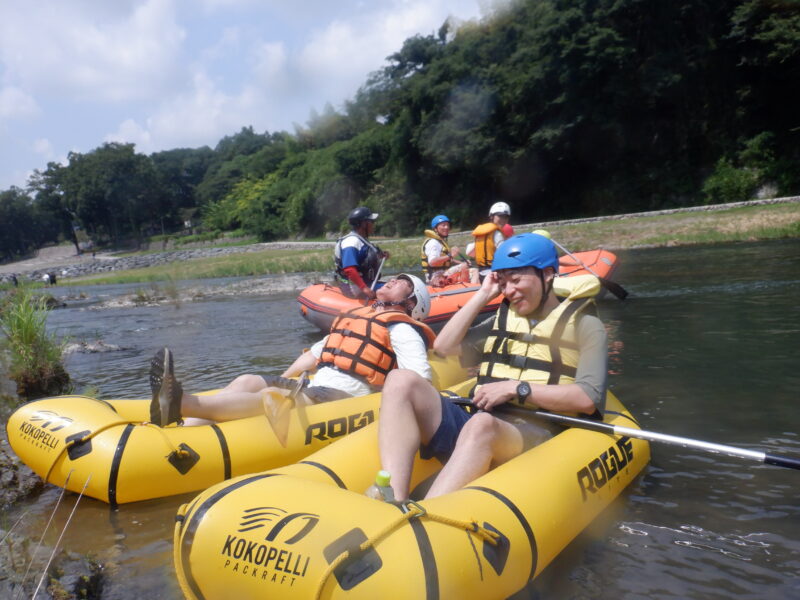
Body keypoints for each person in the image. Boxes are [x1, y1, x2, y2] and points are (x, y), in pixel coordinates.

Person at [376, 233, 607, 501]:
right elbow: (443, 347)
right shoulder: (503, 321)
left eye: (517, 280)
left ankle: (423, 518)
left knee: (483, 424)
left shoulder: (586, 325)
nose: (509, 290)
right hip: (479, 420)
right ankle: (394, 498)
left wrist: (516, 388)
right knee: (400, 380)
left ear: (546, 274)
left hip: (534, 433)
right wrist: (484, 293)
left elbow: (588, 399)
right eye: (504, 282)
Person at [148, 274, 435, 427]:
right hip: (313, 385)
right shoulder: (358, 318)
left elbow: (420, 378)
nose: (394, 280)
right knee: (250, 381)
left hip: (343, 397)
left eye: (403, 283)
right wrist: (280, 379)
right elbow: (312, 356)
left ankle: (181, 403)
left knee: (269, 398)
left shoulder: (402, 329)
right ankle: (181, 427)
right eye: (395, 278)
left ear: (411, 303)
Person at [334, 206, 389, 299]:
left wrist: (381, 255)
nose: (373, 224)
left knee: (395, 283)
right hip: (354, 288)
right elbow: (349, 269)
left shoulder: (361, 239)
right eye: (371, 222)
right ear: (363, 224)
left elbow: (365, 258)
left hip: (364, 284)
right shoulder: (351, 242)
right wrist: (365, 289)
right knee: (397, 291)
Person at [421, 215, 478, 286]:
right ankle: (469, 291)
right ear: (435, 228)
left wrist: (462, 262)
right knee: (474, 271)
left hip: (443, 273)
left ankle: (467, 288)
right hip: (434, 277)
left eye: (448, 225)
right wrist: (450, 255)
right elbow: (432, 262)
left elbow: (447, 261)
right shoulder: (433, 243)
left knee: (465, 265)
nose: (446, 227)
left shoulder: (440, 242)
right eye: (443, 225)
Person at [467, 201, 512, 279]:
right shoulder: (497, 233)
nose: (503, 219)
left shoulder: (482, 233)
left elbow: (469, 252)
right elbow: (503, 252)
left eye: (505, 217)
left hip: (482, 273)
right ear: (491, 216)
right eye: (500, 216)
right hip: (494, 272)